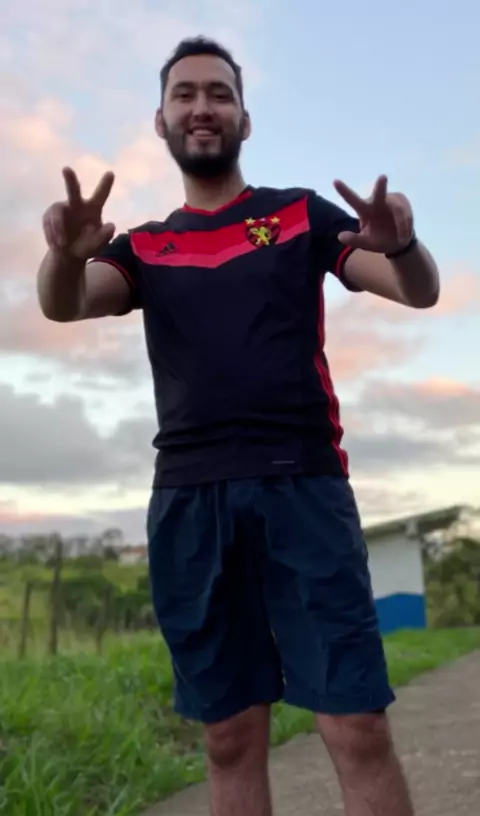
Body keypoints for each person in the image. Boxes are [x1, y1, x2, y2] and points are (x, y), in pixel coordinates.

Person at [37, 36, 439, 816]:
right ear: (161, 121)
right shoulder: (143, 247)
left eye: (219, 93)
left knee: (356, 727)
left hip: (304, 490)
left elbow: (413, 290)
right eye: (184, 94)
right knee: (227, 738)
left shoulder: (300, 216)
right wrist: (62, 254)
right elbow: (65, 303)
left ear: (245, 120)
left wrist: (405, 245)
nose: (202, 107)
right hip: (190, 502)